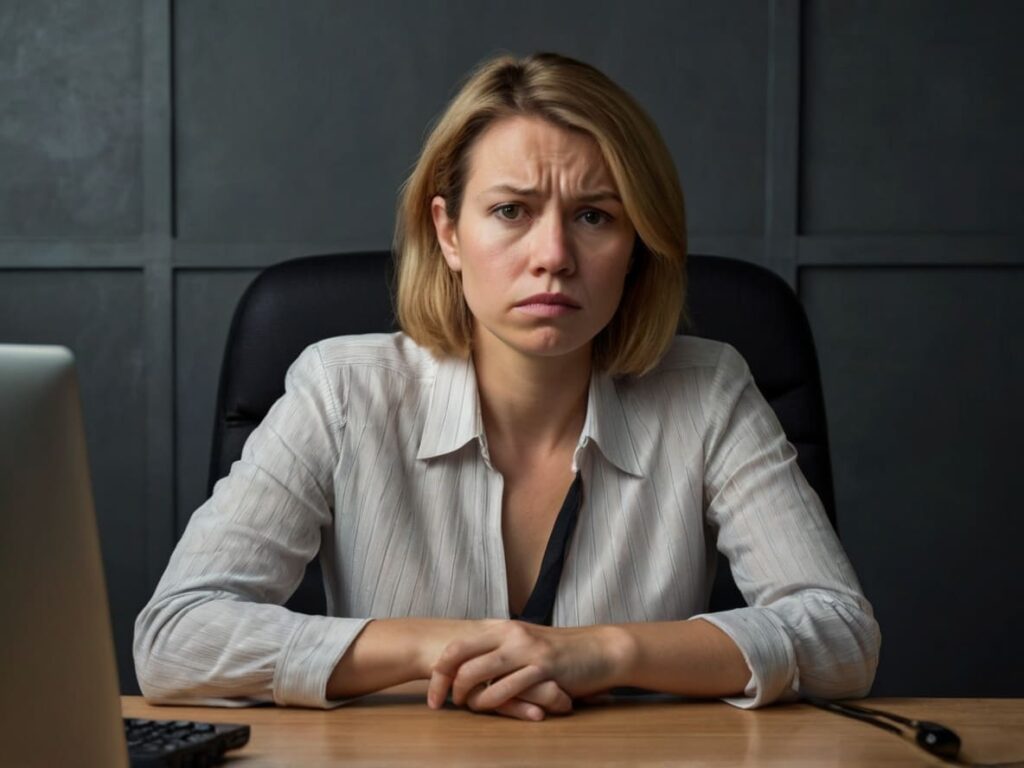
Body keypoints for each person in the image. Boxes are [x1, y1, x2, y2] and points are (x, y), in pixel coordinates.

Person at [134, 52, 880, 722]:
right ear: (449, 232)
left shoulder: (710, 390)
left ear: (638, 244)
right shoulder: (340, 390)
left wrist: (605, 652)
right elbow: (176, 637)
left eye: (594, 216)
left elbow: (841, 634)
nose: (553, 256)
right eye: (511, 211)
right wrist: (443, 647)